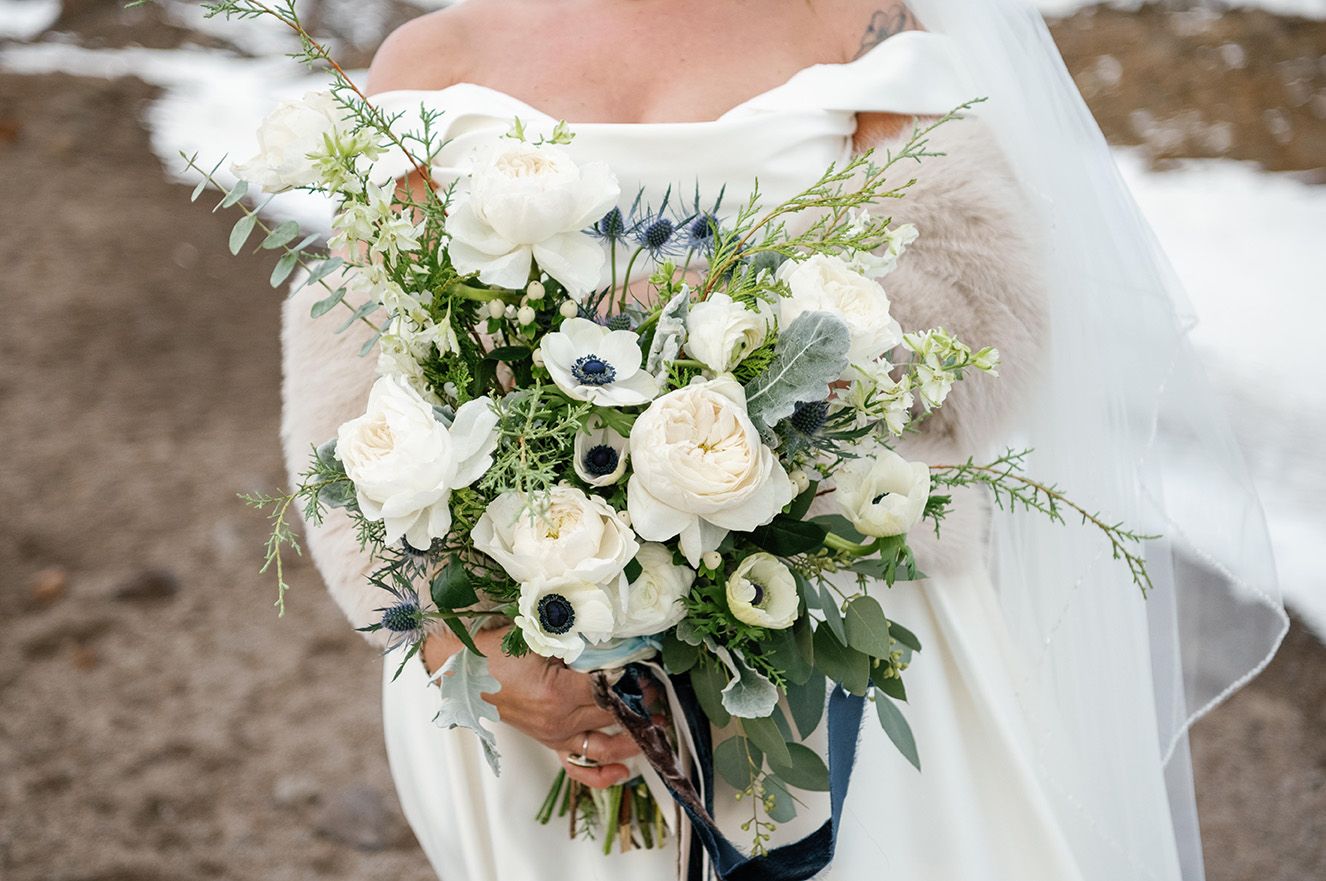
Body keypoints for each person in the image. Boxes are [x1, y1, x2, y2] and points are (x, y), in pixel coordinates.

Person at [281, 1, 1286, 879]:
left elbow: (982, 312)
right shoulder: (431, 58)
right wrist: (470, 640)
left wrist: (733, 394)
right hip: (534, 666)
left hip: (837, 634)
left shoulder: (853, 23)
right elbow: (356, 384)